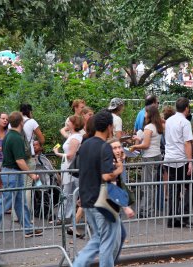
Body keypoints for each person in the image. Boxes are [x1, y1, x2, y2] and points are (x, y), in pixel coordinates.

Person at [73, 111, 124, 267]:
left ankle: (78, 264)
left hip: (87, 200)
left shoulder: (85, 144)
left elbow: (79, 171)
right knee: (107, 243)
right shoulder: (105, 147)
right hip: (103, 201)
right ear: (109, 127)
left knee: (97, 239)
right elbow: (107, 176)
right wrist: (119, 170)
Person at [0, 112, 43, 241]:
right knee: (5, 202)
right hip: (12, 173)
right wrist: (31, 174)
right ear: (21, 122)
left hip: (11, 172)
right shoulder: (15, 138)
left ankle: (27, 228)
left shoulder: (9, 135)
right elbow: (20, 161)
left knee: (20, 201)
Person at [163, 97, 193, 228]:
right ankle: (184, 216)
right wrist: (190, 161)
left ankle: (172, 218)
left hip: (169, 158)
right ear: (186, 108)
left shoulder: (169, 120)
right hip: (181, 159)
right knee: (192, 186)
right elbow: (187, 143)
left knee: (173, 189)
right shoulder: (185, 122)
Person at [130, 105, 163, 218]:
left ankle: (146, 210)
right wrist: (139, 139)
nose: (144, 114)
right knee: (151, 184)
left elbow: (146, 144)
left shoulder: (149, 127)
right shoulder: (157, 126)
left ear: (150, 114)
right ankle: (148, 209)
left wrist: (135, 147)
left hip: (149, 157)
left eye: (146, 112)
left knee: (147, 185)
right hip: (157, 155)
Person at [53, 115, 84, 225]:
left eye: (69, 121)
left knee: (70, 192)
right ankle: (64, 216)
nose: (67, 123)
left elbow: (70, 155)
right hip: (69, 167)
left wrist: (57, 153)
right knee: (69, 192)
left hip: (72, 167)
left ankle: (65, 216)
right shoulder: (73, 136)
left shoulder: (75, 137)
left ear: (74, 124)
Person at [20, 103, 45, 211]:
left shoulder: (13, 122)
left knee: (18, 185)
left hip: (16, 156)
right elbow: (42, 139)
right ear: (29, 111)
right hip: (28, 156)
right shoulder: (32, 122)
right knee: (28, 185)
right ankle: (26, 213)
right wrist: (37, 144)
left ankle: (15, 215)